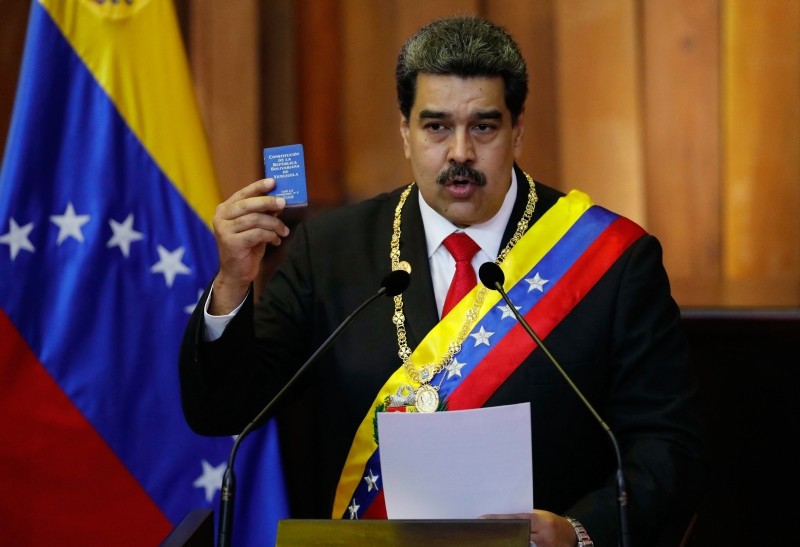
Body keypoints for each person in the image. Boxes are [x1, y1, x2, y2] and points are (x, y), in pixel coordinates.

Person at [179, 15, 707, 547]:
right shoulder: (331, 252)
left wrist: (577, 531)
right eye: (436, 127)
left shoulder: (611, 261)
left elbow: (668, 448)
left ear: (517, 130)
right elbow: (223, 409)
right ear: (404, 133)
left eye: (483, 126)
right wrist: (231, 282)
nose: (459, 153)